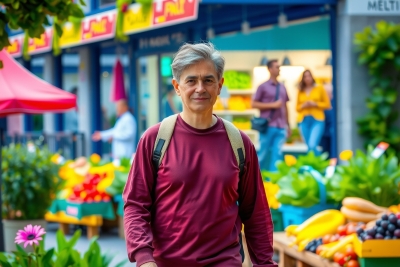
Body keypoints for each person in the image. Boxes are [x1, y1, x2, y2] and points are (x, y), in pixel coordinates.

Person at [123, 42, 277, 267]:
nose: (200, 88)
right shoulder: (155, 139)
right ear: (177, 87)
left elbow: (256, 214)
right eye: (191, 80)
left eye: (208, 80)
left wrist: (264, 264)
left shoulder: (240, 143)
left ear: (220, 85)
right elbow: (136, 205)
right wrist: (144, 258)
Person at [252, 60, 290, 172]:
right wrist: (272, 105)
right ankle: (254, 180)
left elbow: (285, 106)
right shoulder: (262, 87)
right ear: (270, 69)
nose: (279, 69)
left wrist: (287, 125)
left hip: (281, 126)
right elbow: (253, 104)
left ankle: (273, 181)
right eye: (277, 67)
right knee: (262, 154)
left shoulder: (283, 87)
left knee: (277, 155)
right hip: (267, 126)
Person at [296, 70, 331, 155]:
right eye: (305, 77)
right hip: (304, 120)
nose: (307, 78)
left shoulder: (319, 88)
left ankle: (320, 163)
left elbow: (327, 104)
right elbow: (297, 108)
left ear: (312, 77)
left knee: (312, 145)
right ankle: (313, 166)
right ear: (303, 79)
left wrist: (315, 104)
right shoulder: (301, 90)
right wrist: (303, 105)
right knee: (309, 146)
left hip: (317, 120)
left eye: (309, 76)